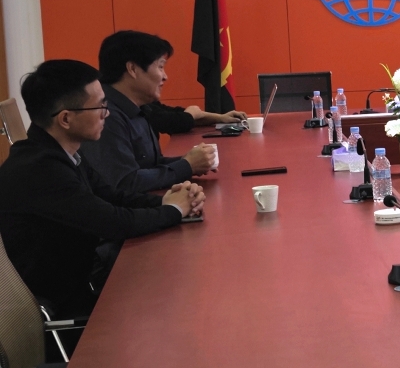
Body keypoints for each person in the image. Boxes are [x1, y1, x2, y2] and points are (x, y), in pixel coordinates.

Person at [0, 60, 203, 318]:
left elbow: (113, 197)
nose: (106, 114)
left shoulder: (61, 152)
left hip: (84, 278)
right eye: (100, 106)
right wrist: (174, 210)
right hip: (67, 303)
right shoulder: (40, 170)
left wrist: (171, 201)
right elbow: (113, 222)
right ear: (65, 118)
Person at [80, 31, 217, 193]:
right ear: (132, 69)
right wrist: (187, 165)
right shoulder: (106, 115)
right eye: (160, 66)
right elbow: (124, 182)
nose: (165, 77)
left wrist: (191, 161)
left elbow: (151, 165)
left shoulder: (139, 108)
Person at [143, 102, 248, 135]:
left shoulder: (149, 104)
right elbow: (172, 121)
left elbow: (177, 114)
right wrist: (189, 115)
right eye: (160, 67)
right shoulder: (140, 109)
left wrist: (221, 117)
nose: (165, 76)